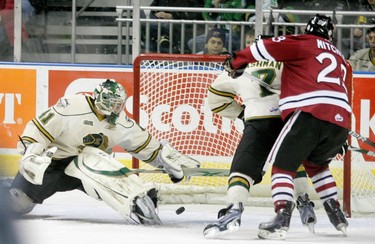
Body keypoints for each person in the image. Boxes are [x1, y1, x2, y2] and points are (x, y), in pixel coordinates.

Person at [223, 14, 352, 239]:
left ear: (307, 29)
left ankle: (281, 217)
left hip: (309, 112)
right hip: (341, 120)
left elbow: (261, 47)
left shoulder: (303, 42)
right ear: (331, 35)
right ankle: (336, 213)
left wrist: (235, 61)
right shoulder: (340, 56)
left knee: (282, 166)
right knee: (316, 165)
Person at [5, 79, 200, 225]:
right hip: (53, 164)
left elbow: (143, 144)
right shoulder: (72, 107)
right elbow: (38, 129)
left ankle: (134, 200)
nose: (118, 108)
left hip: (87, 168)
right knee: (17, 205)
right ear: (102, 99)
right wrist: (30, 153)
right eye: (114, 103)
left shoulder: (121, 122)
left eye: (120, 104)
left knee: (94, 160)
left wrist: (163, 159)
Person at [203, 59, 317, 238]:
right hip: (289, 119)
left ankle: (234, 208)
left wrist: (241, 113)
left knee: (243, 169)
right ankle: (303, 200)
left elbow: (215, 98)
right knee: (291, 163)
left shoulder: (241, 65)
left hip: (258, 121)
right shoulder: (292, 62)